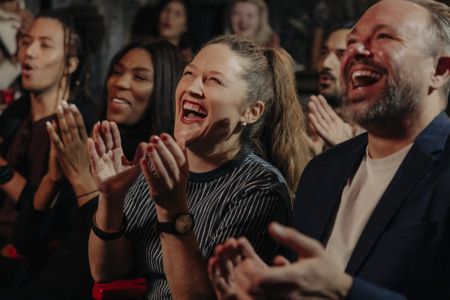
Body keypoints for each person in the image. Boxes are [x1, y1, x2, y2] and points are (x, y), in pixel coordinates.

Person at [209, 0, 450, 299]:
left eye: (384, 37)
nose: (356, 51)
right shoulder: (323, 171)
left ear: (439, 69)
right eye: (352, 42)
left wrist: (342, 290)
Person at [87, 35, 310, 299]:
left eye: (214, 80)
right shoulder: (159, 164)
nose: (192, 87)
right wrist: (111, 199)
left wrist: (173, 211)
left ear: (251, 111)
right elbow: (106, 272)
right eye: (188, 73)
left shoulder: (260, 189)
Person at [0, 40, 184, 300]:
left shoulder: (153, 163)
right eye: (117, 71)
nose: (120, 83)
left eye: (140, 77)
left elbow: (98, 269)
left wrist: (81, 179)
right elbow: (25, 241)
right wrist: (53, 178)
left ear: (163, 90)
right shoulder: (90, 141)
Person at [0, 4, 104, 288]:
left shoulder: (84, 125)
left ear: (70, 64)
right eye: (26, 42)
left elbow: (59, 222)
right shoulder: (14, 114)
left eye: (44, 45)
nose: (29, 53)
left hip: (39, 272)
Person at [305, 27, 364, 155]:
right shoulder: (303, 123)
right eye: (324, 52)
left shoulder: (373, 132)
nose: (326, 63)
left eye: (341, 54)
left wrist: (347, 149)